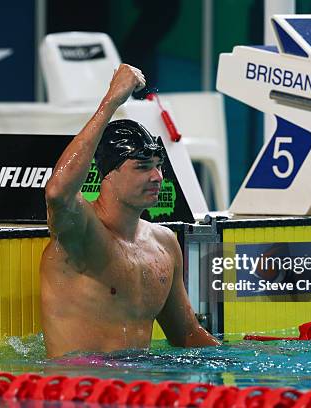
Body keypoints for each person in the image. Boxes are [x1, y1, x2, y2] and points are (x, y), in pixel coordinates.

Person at [40, 64, 220, 358]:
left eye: (158, 166)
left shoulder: (163, 243)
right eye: (142, 167)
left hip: (139, 391)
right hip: (82, 394)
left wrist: (245, 361)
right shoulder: (81, 234)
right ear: (108, 174)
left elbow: (186, 334)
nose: (157, 177)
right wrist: (112, 100)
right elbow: (57, 192)